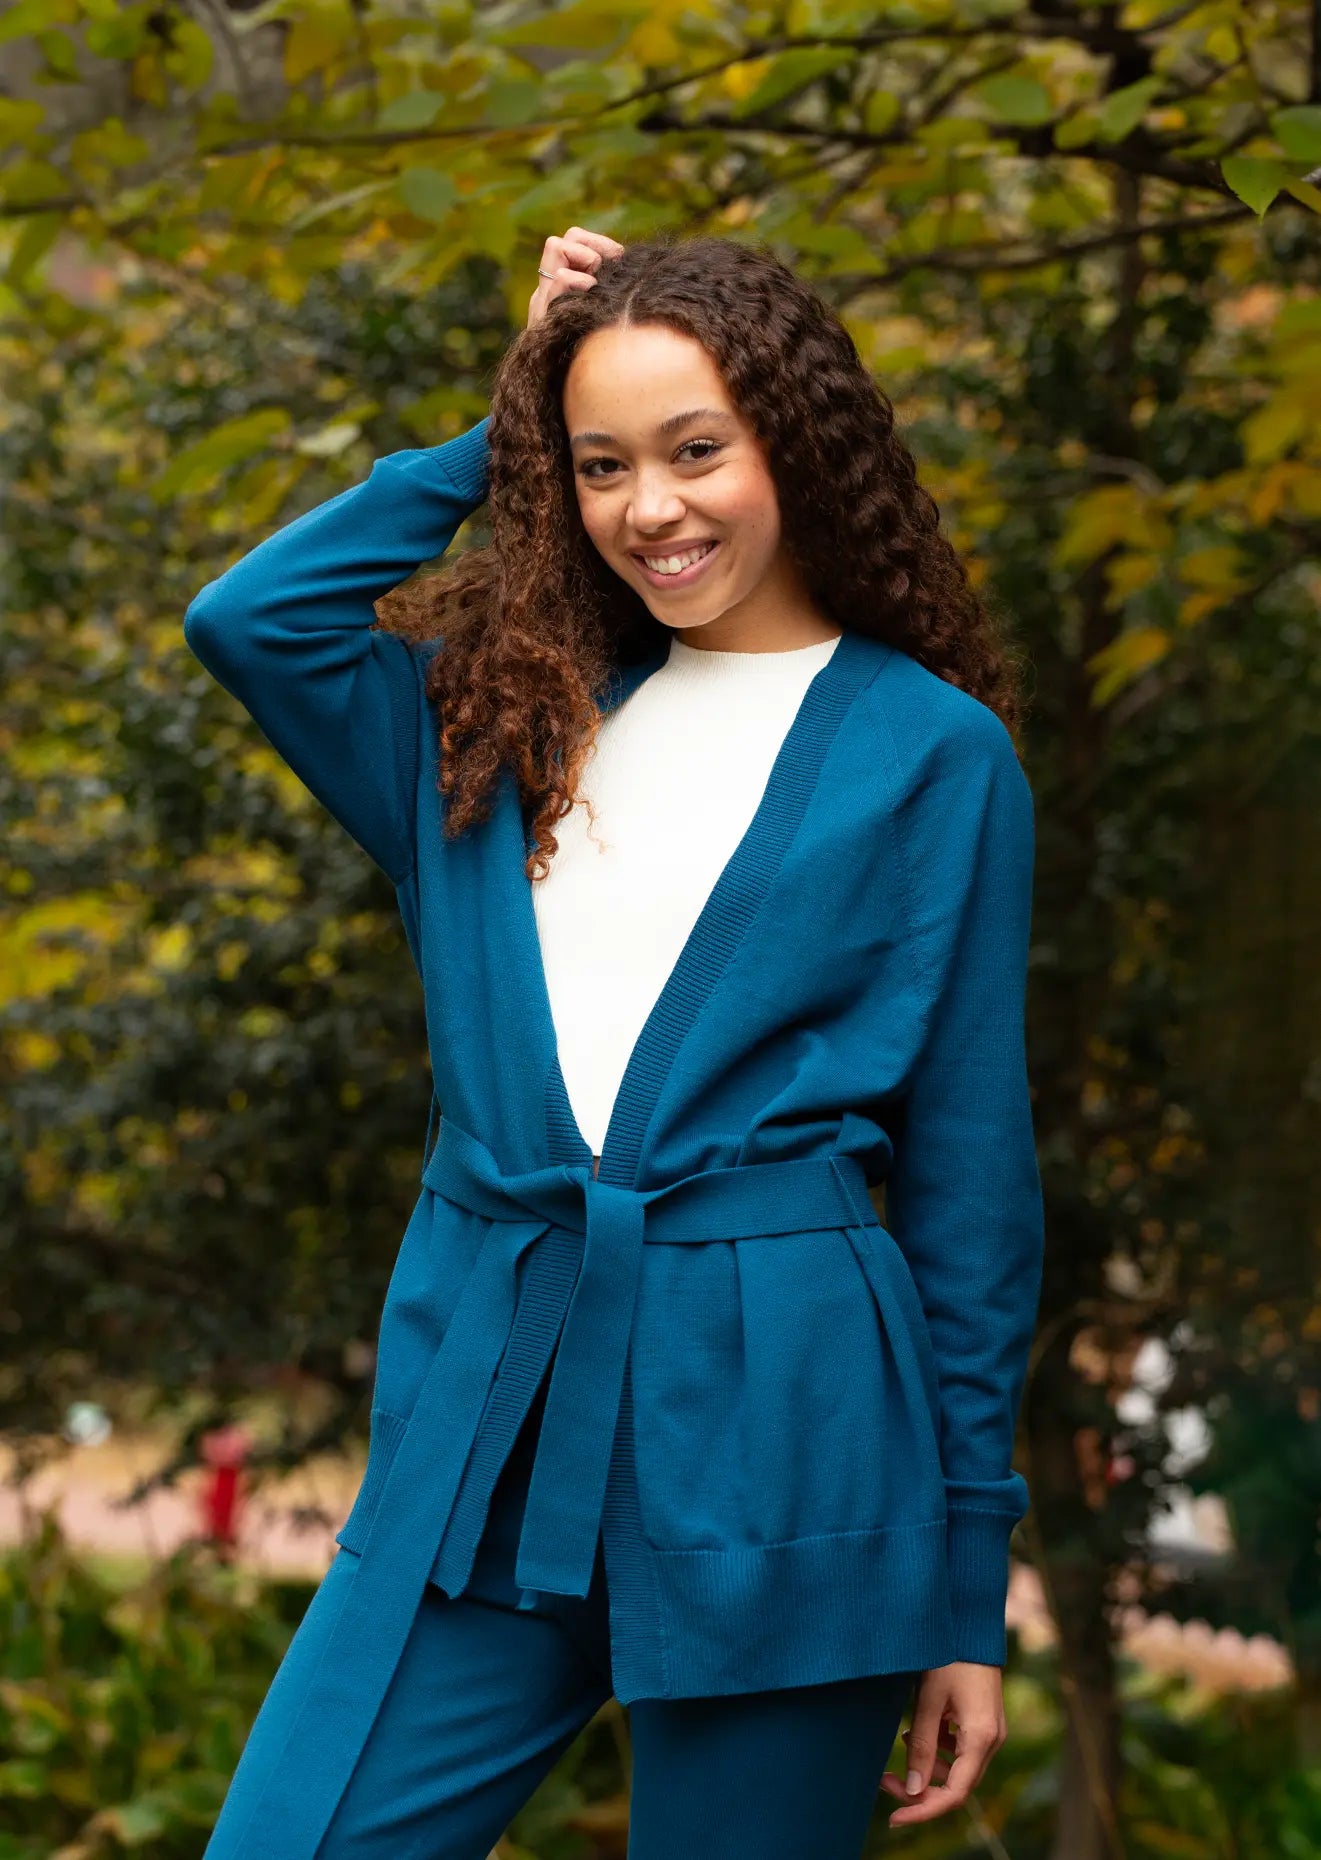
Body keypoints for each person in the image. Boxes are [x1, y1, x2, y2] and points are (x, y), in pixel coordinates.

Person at [183, 226, 1044, 1859]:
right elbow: (254, 619)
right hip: (486, 1409)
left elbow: (971, 1191)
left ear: (794, 439)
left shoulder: (934, 757)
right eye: (597, 465)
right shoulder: (502, 719)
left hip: (788, 1441)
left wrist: (962, 1587)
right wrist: (507, 403)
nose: (650, 507)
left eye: (695, 448)